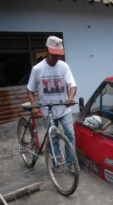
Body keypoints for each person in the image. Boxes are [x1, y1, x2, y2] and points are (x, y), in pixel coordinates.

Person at [27, 35, 77, 166]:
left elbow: (73, 86)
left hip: (64, 109)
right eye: (54, 55)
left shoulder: (64, 66)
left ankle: (70, 163)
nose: (56, 58)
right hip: (47, 110)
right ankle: (57, 162)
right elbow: (30, 90)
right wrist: (34, 107)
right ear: (46, 51)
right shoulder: (37, 69)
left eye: (59, 55)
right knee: (53, 137)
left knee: (70, 135)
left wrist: (70, 98)